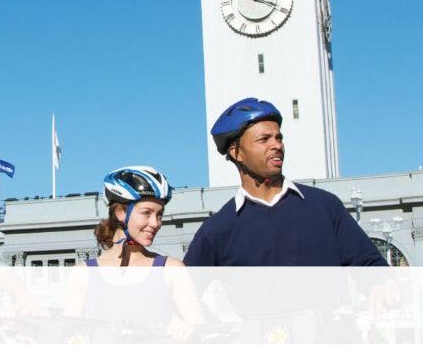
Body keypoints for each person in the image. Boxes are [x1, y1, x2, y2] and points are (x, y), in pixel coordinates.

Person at [183, 98, 386, 266]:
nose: (277, 145)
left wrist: (383, 287)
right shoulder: (217, 229)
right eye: (264, 139)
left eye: (278, 138)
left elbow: (371, 266)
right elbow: (182, 293)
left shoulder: (325, 206)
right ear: (237, 153)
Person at [64, 166, 204, 341]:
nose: (155, 223)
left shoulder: (171, 269)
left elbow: (202, 332)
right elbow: (70, 336)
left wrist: (189, 330)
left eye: (159, 215)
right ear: (120, 213)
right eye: (146, 213)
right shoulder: (83, 273)